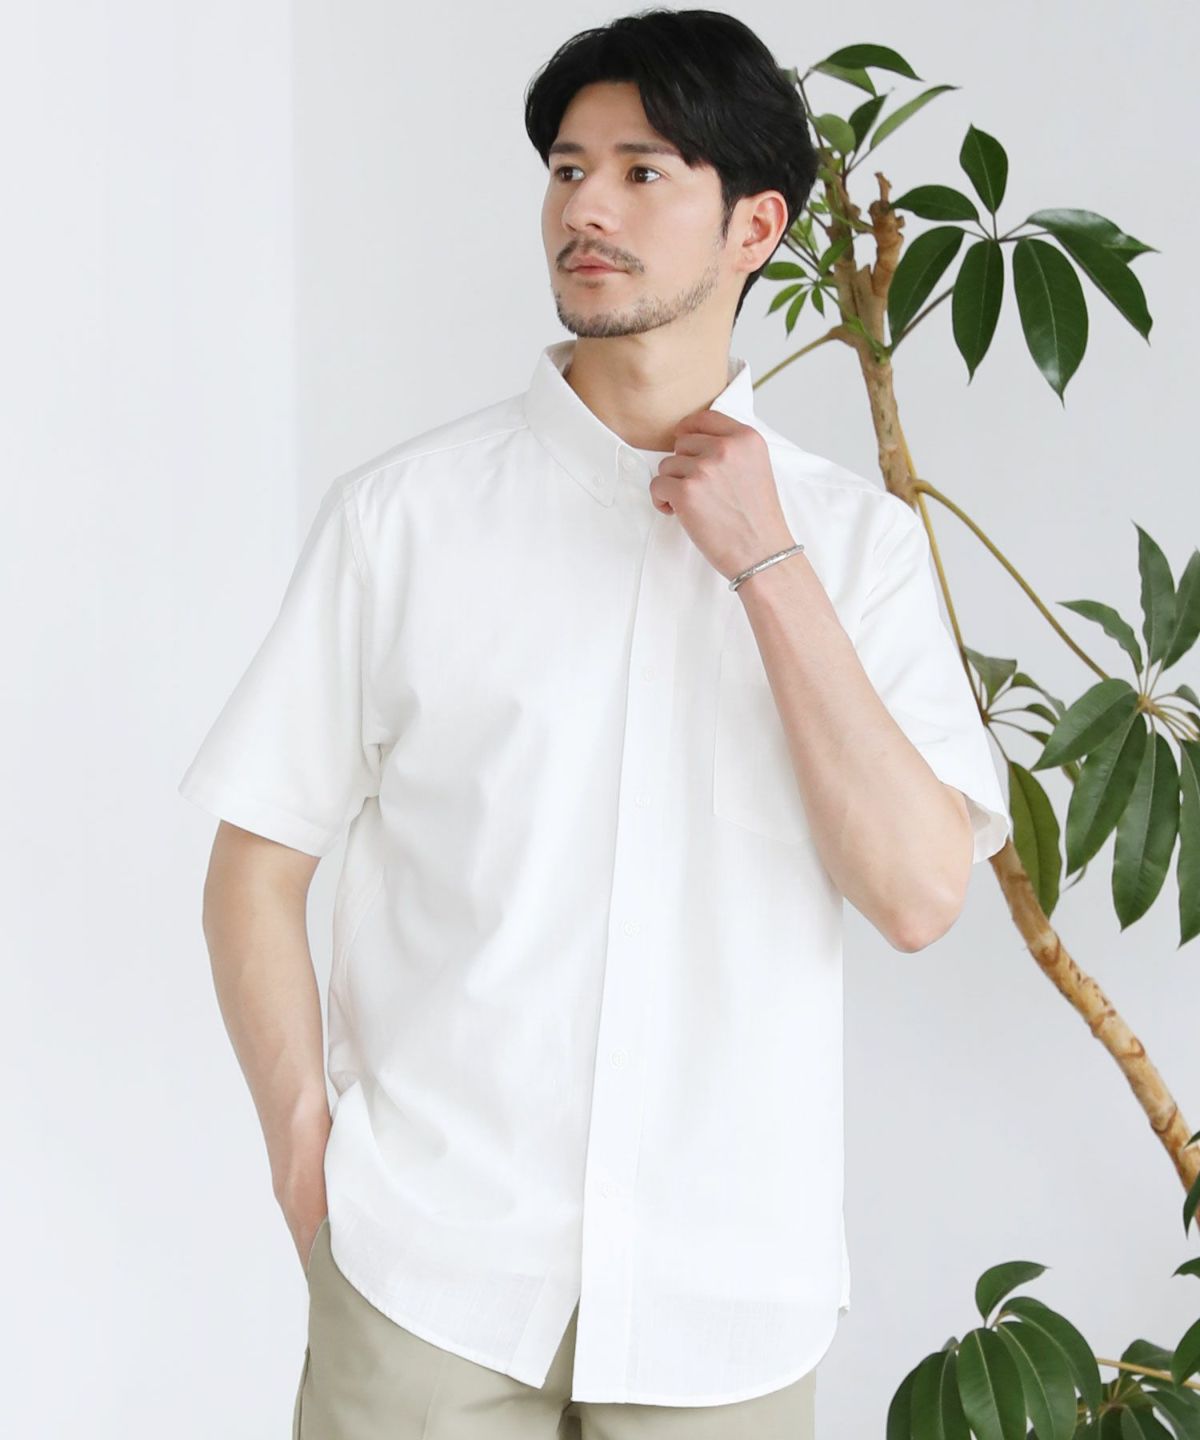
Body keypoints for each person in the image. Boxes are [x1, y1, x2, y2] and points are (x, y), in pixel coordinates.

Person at [179, 8, 1012, 1438]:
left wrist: (767, 565)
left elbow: (920, 896)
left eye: (642, 173)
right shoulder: (405, 521)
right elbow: (256, 861)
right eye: (568, 169)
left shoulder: (858, 549)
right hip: (426, 1280)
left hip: (721, 1309)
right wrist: (306, 1160)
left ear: (755, 227)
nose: (586, 209)